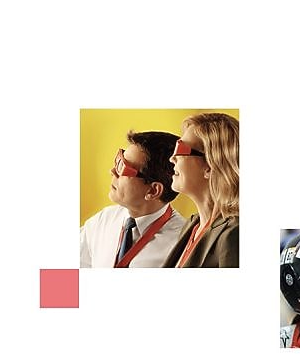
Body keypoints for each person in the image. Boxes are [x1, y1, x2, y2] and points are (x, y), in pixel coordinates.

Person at [79, 130, 187, 268]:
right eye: (119, 160)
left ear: (153, 191)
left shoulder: (182, 244)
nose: (112, 171)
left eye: (123, 167)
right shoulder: (104, 219)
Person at [163, 112, 240, 268]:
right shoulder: (192, 225)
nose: (172, 158)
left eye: (181, 148)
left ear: (210, 166)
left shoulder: (235, 234)